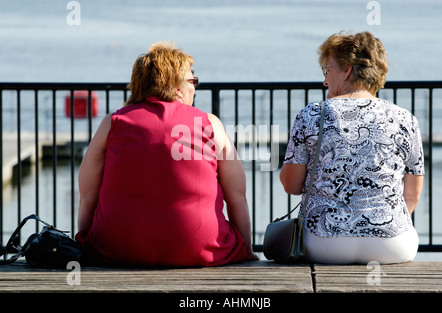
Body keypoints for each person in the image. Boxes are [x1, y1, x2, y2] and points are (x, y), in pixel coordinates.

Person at [76, 41, 258, 267]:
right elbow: (237, 194)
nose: (195, 87)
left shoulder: (112, 123)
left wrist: (85, 242)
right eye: (193, 81)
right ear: (178, 88)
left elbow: (86, 194)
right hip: (200, 248)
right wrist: (246, 249)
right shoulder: (210, 124)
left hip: (114, 249)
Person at [280, 31, 424, 264]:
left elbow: (291, 185)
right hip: (392, 246)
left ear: (346, 70)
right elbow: (412, 194)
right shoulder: (406, 119)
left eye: (328, 71)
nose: (325, 81)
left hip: (324, 243)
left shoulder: (311, 114)